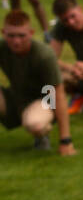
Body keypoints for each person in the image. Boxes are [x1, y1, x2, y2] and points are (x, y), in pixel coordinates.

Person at [0, 10, 74, 154]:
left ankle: (42, 134)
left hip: (44, 98)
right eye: (11, 35)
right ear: (3, 32)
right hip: (16, 96)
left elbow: (58, 95)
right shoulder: (2, 48)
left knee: (35, 124)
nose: (16, 41)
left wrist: (66, 141)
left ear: (31, 33)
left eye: (21, 35)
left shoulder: (44, 55)